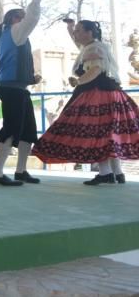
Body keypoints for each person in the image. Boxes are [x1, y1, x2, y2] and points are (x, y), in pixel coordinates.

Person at [32, 19, 139, 184]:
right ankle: (117, 173)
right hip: (111, 93)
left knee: (98, 132)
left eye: (79, 31)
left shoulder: (94, 49)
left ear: (89, 33)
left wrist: (78, 81)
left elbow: (95, 70)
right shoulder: (94, 46)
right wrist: (70, 28)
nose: (76, 34)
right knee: (109, 134)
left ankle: (105, 173)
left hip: (97, 93)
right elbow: (80, 45)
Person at [0, 0, 43, 186]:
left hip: (17, 87)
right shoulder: (15, 31)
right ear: (13, 19)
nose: (24, 18)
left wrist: (30, 78)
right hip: (11, 88)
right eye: (21, 15)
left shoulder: (10, 35)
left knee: (28, 130)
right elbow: (32, 19)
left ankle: (21, 171)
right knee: (11, 127)